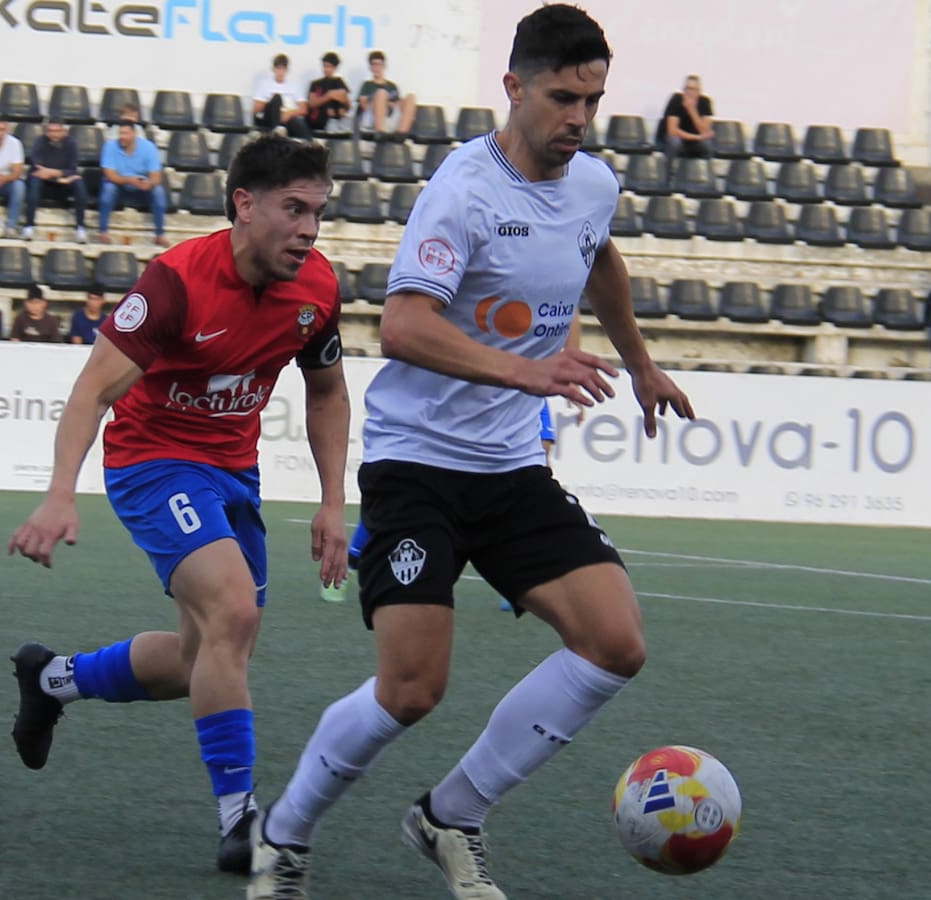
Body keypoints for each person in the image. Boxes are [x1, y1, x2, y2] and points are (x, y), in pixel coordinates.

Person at [248, 7, 695, 899]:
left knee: (615, 642)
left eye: (592, 100)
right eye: (563, 98)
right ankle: (285, 833)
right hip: (417, 465)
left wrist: (642, 363)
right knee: (412, 689)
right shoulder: (463, 190)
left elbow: (598, 255)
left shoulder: (593, 184)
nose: (578, 117)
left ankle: (451, 814)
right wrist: (525, 373)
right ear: (515, 88)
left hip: (510, 470)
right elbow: (405, 325)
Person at [6, 134, 350, 877]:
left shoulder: (318, 287)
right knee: (235, 611)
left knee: (202, 658)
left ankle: (51, 679)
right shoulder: (175, 282)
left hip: (234, 476)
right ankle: (240, 822)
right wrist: (61, 494)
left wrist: (332, 502)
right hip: (153, 463)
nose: (308, 230)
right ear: (243, 204)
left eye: (317, 213)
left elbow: (327, 393)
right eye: (293, 210)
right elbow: (93, 390)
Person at [98, 121, 170, 247]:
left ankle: (160, 234)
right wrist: (130, 180)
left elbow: (157, 177)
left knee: (158, 191)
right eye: (121, 133)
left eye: (126, 133)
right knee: (108, 188)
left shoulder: (149, 148)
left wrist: (149, 184)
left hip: (141, 189)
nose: (122, 137)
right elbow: (110, 175)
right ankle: (103, 232)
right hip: (119, 187)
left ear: (134, 134)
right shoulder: (110, 147)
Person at [23, 117, 89, 244]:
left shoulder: (71, 144)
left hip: (63, 186)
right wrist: (60, 176)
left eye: (57, 131)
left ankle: (81, 228)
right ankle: (28, 226)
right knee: (34, 180)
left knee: (79, 183)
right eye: (50, 131)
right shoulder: (40, 142)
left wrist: (55, 174)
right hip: (45, 185)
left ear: (64, 132)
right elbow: (39, 170)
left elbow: (73, 170)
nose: (53, 134)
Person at [655, 74, 715, 175]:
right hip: (677, 139)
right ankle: (667, 176)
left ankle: (706, 176)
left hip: (694, 141)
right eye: (687, 89)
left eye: (693, 89)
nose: (690, 92)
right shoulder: (676, 100)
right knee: (674, 142)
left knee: (707, 145)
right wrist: (698, 137)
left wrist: (692, 110)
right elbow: (672, 131)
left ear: (699, 91)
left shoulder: (705, 102)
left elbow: (705, 130)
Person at [357, 50, 417, 140]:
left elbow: (398, 105)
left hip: (390, 115)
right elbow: (364, 105)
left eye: (379, 64)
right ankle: (379, 133)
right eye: (374, 65)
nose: (377, 68)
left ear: (384, 66)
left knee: (411, 97)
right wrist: (380, 102)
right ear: (370, 67)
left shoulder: (392, 86)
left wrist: (389, 104)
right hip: (373, 118)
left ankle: (401, 134)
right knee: (381, 93)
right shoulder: (367, 85)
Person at [253, 53, 314, 140]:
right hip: (270, 116)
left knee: (299, 125)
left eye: (283, 69)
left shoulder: (294, 86)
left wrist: (289, 113)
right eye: (278, 69)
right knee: (277, 98)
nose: (280, 72)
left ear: (287, 70)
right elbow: (257, 109)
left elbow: (304, 109)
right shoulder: (264, 84)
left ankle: (310, 144)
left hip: (288, 116)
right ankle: (276, 130)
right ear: (273, 69)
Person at [307, 51, 353, 135]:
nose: (326, 69)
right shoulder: (316, 83)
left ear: (335, 68)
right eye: (325, 66)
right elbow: (312, 104)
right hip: (321, 119)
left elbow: (348, 105)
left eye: (330, 67)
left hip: (338, 117)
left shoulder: (339, 82)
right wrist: (329, 96)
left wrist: (341, 99)